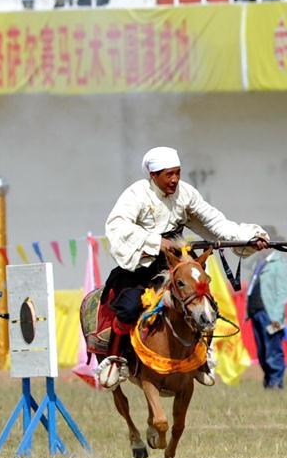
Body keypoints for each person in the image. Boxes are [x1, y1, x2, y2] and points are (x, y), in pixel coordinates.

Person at [98, 146, 269, 389]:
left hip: (179, 260)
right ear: (154, 175)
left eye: (178, 173)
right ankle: (116, 360)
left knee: (204, 303)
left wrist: (250, 236)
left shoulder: (186, 193)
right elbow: (117, 227)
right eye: (169, 174)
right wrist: (157, 242)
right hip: (143, 265)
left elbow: (215, 221)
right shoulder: (135, 194)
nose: (175, 179)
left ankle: (201, 359)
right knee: (127, 307)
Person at [246, 230, 287, 390]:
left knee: (273, 351)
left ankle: (276, 384)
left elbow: (283, 293)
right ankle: (269, 382)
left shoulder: (279, 264)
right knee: (263, 353)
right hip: (257, 312)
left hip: (271, 315)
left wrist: (277, 317)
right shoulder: (260, 263)